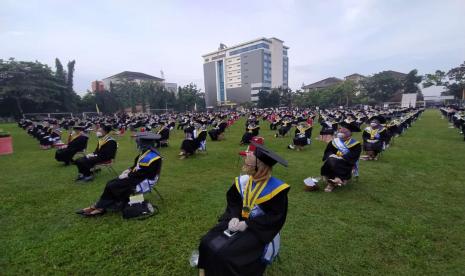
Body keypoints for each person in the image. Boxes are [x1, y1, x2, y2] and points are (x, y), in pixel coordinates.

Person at [197, 143, 290, 276]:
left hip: (258, 229)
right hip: (237, 220)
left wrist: (247, 224)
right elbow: (233, 201)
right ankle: (205, 269)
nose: (244, 166)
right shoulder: (243, 181)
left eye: (248, 165)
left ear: (260, 168)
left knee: (227, 254)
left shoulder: (277, 190)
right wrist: (233, 216)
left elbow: (275, 217)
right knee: (207, 241)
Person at [76, 132, 162, 217]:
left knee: (113, 185)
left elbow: (144, 173)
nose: (138, 143)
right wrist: (128, 170)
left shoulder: (152, 157)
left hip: (145, 180)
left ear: (145, 143)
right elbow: (136, 166)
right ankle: (101, 206)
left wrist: (128, 175)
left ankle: (99, 207)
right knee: (111, 183)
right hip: (137, 176)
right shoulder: (145, 152)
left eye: (139, 142)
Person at [320, 126, 361, 192]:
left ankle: (331, 183)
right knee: (332, 160)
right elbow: (328, 151)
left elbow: (354, 155)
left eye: (342, 132)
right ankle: (337, 179)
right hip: (333, 159)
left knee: (335, 162)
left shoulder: (355, 144)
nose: (340, 134)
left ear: (348, 135)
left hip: (346, 162)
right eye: (340, 132)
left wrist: (342, 157)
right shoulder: (334, 141)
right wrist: (331, 155)